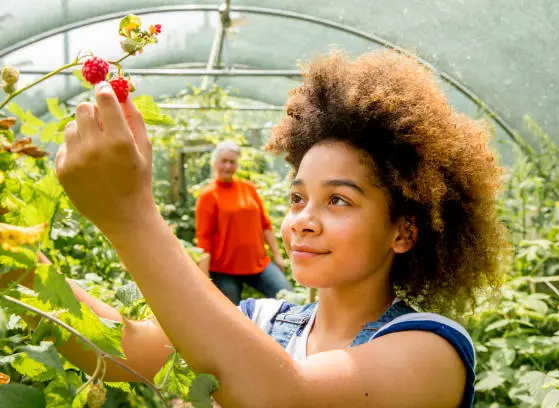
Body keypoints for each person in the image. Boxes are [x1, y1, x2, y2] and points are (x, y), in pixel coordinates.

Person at [4, 49, 507, 407]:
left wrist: (130, 216)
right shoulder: (262, 319)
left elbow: (282, 396)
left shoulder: (431, 350)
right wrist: (20, 262)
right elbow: (125, 349)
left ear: (403, 232)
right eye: (296, 197)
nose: (303, 220)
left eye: (338, 199)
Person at [195, 140, 292, 304]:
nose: (227, 166)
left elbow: (265, 225)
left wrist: (277, 256)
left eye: (232, 162)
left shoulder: (248, 188)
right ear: (215, 163)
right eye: (223, 161)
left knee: (288, 297)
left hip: (258, 264)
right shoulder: (208, 196)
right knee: (233, 315)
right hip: (224, 270)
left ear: (237, 165)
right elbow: (204, 239)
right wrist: (204, 277)